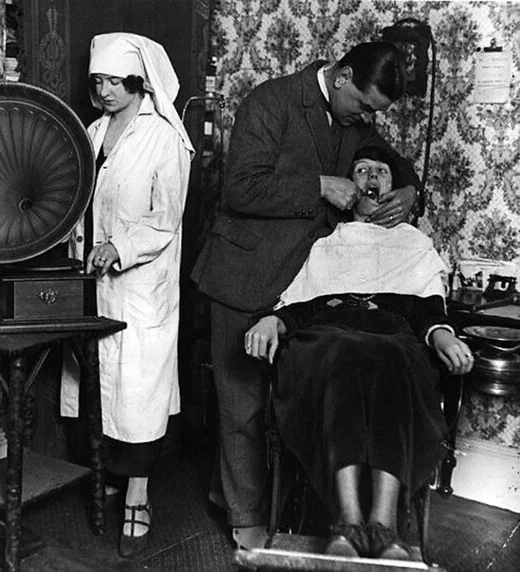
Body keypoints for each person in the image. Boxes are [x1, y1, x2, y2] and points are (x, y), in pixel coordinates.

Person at [190, 41, 424, 550]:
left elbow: (393, 165)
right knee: (242, 404)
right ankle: (245, 517)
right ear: (341, 76)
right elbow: (240, 190)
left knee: (278, 403)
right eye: (364, 106)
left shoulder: (355, 115)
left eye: (374, 114)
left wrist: (411, 192)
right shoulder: (269, 101)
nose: (366, 120)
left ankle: (226, 491)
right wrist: (319, 184)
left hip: (302, 284)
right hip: (245, 272)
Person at [243, 146, 474, 559]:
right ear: (350, 187)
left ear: (396, 188)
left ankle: (384, 527)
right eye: (361, 170)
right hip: (329, 333)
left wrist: (445, 337)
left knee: (393, 358)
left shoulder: (415, 245)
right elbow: (300, 306)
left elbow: (427, 311)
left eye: (380, 172)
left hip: (393, 336)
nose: (370, 177)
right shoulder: (328, 244)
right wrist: (270, 321)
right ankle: (347, 524)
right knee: (342, 352)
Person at [60, 33, 194, 558]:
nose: (106, 91)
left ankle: (139, 496)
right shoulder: (91, 132)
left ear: (139, 83)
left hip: (140, 285)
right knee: (98, 384)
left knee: (137, 391)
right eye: (99, 82)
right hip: (92, 281)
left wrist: (120, 246)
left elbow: (166, 219)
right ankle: (109, 476)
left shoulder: (164, 139)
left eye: (116, 81)